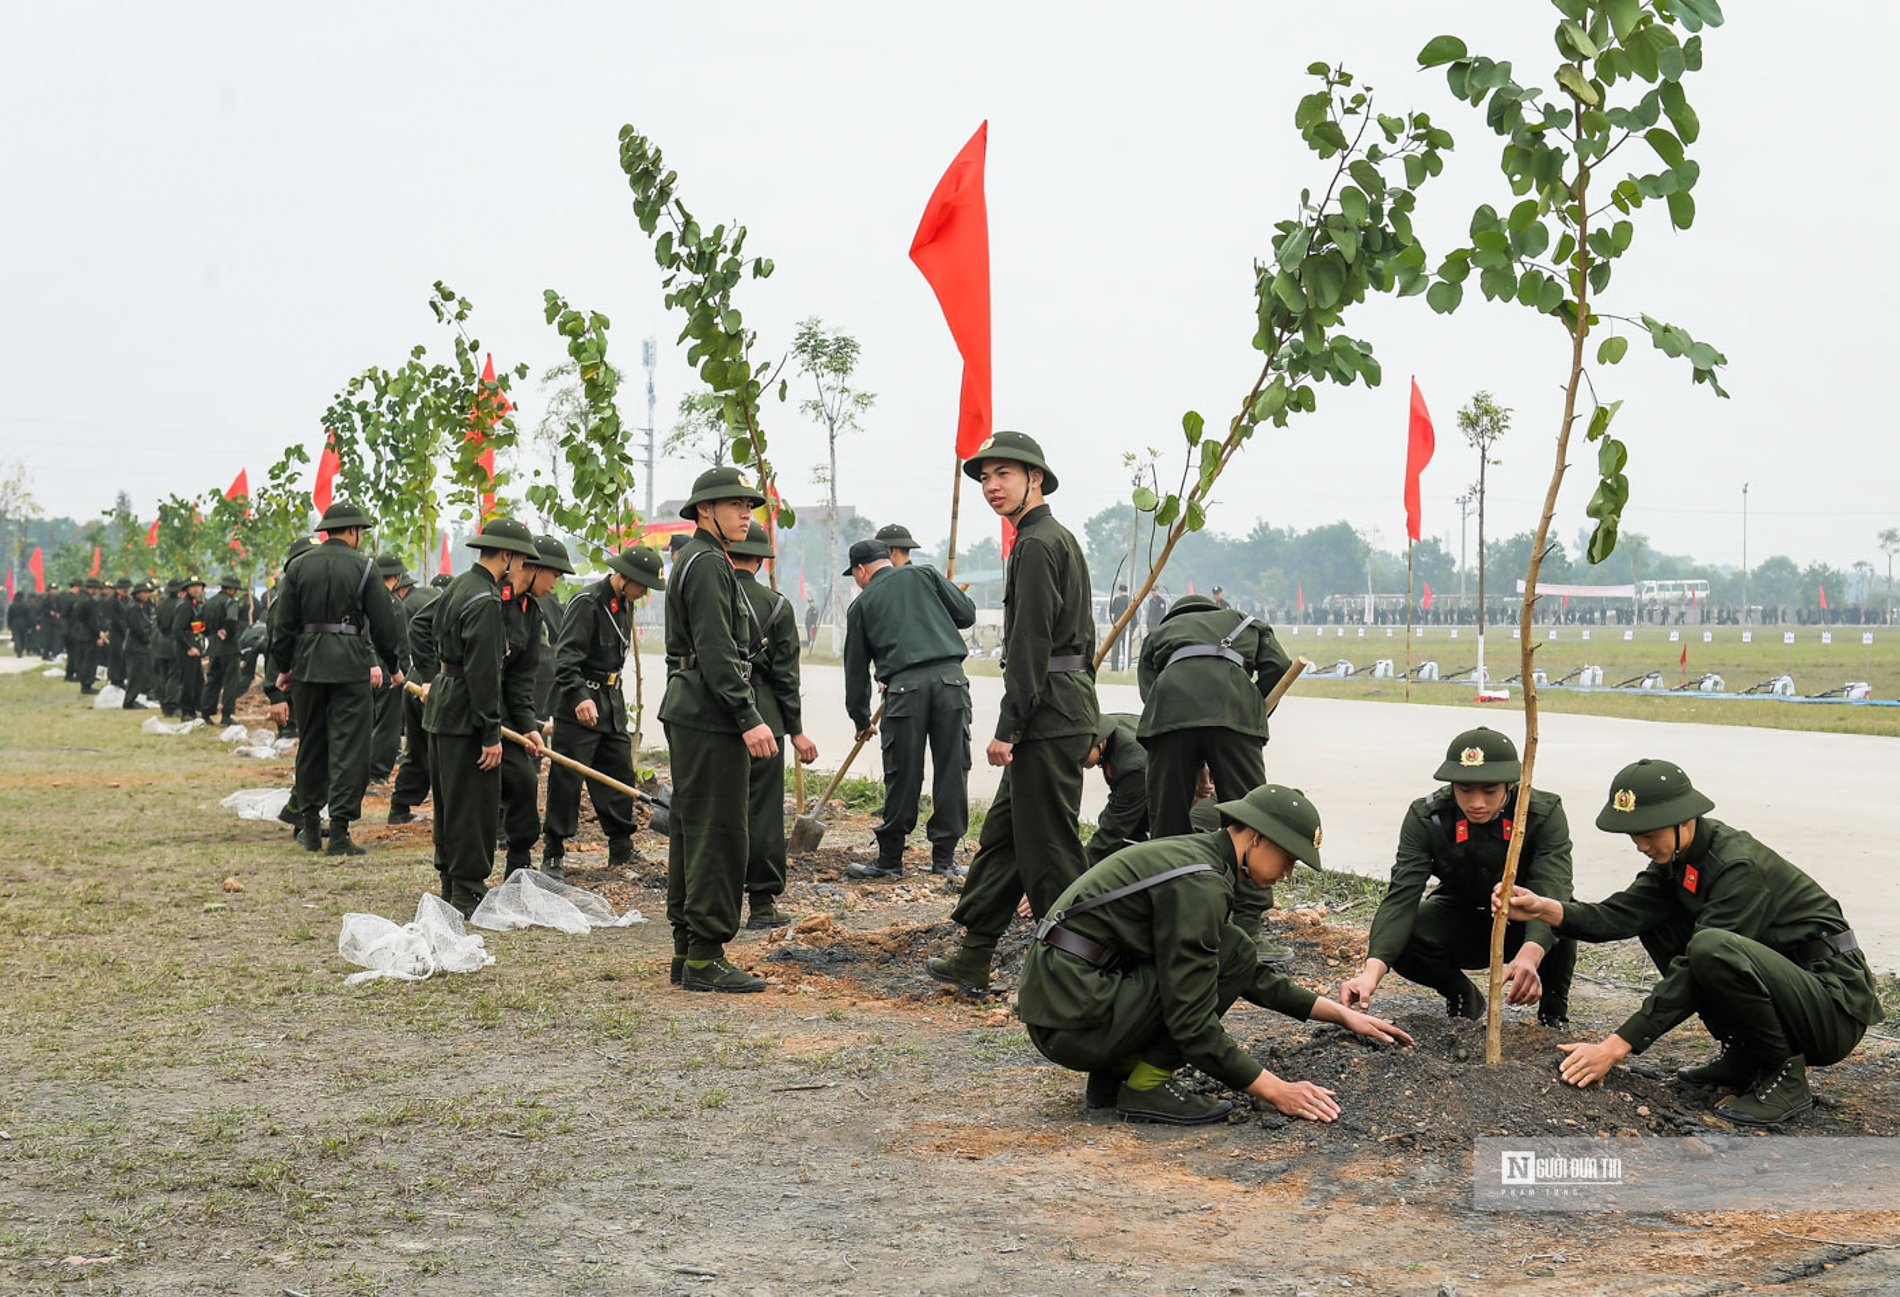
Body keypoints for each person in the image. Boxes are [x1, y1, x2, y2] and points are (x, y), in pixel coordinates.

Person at [1496, 759, 1883, 1126]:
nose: (1641, 845)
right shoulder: (1678, 861)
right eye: (1634, 835)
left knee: (1710, 948)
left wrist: (1614, 1047)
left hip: (1832, 1008)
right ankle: (1744, 1056)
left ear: (1683, 821)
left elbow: (1696, 966)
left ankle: (1785, 1079)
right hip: (1791, 993)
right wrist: (1544, 909)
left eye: (1649, 834)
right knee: (1661, 925)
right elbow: (1618, 915)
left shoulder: (1736, 866)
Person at [1017, 784, 1412, 1124]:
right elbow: (1191, 1020)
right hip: (1071, 1020)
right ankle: (1146, 1085)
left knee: (1231, 951)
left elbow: (1250, 975)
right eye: (1288, 858)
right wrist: (1275, 1090)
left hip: (1067, 1006)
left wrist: (1341, 1014)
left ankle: (1116, 1074)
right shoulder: (1202, 884)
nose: (1288, 872)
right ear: (1257, 837)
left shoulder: (1201, 859)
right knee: (1231, 952)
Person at [928, 431, 1099, 996]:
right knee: (1004, 839)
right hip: (1059, 707)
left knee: (1049, 848)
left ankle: (1081, 970)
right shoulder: (1054, 539)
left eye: (1004, 473)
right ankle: (974, 956)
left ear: (1036, 480)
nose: (991, 486)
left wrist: (1009, 728)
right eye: (984, 477)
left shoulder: (1034, 544)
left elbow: (1029, 643)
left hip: (1045, 715)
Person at [1340, 728, 1576, 1026]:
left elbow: (1552, 886)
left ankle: (1553, 1015)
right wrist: (1371, 973)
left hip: (1525, 921)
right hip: (1462, 916)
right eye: (1465, 790)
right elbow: (1401, 897)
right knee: (1405, 931)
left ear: (1511, 784)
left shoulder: (1542, 813)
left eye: (1489, 791)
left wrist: (1531, 953)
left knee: (1564, 916)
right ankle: (1463, 996)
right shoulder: (1428, 817)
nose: (1477, 802)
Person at [661, 467, 778, 992]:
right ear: (706, 509)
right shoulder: (707, 563)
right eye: (735, 505)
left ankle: (689, 950)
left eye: (748, 507)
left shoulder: (701, 559)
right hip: (709, 712)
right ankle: (706, 957)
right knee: (719, 832)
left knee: (691, 828)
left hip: (694, 708)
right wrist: (747, 714)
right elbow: (716, 649)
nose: (745, 515)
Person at [1136, 591, 1292, 960]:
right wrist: (1249, 708)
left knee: (1167, 823)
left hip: (1169, 714)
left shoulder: (1160, 633)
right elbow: (1279, 666)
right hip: (1234, 711)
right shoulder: (1246, 621)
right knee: (1253, 820)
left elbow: (1149, 689)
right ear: (1213, 609)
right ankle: (1248, 931)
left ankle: (1172, 924)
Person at [268, 501, 405, 858]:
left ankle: (310, 827)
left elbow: (282, 625)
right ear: (354, 532)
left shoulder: (297, 567)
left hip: (309, 665)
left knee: (311, 743)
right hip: (350, 666)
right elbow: (384, 624)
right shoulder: (365, 567)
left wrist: (285, 666)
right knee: (350, 748)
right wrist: (392, 665)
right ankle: (340, 832)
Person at [424, 517, 542, 914]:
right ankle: (467, 890)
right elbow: (484, 674)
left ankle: (451, 884)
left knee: (449, 804)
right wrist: (491, 734)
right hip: (465, 714)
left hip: (443, 705)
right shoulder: (488, 600)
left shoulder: (459, 585)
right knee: (474, 808)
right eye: (522, 560)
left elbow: (422, 625)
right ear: (506, 556)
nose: (524, 568)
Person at [840, 538, 976, 880]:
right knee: (952, 768)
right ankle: (944, 860)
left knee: (903, 772)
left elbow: (855, 672)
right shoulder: (926, 575)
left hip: (904, 690)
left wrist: (860, 719)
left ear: (860, 570)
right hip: (951, 682)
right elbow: (966, 614)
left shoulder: (862, 605)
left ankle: (890, 860)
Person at [543, 544, 665, 879]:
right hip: (578, 703)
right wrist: (580, 697)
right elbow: (565, 659)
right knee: (567, 778)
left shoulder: (625, 604)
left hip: (611, 703)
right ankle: (554, 850)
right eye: (641, 585)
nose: (643, 593)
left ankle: (621, 847)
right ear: (623, 577)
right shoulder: (588, 603)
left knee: (618, 772)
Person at [729, 522, 819, 928]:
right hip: (764, 713)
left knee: (715, 806)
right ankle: (762, 906)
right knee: (763, 810)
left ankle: (713, 898)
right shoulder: (779, 607)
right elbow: (787, 676)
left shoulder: (708, 597)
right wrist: (796, 729)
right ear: (763, 560)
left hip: (713, 712)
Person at [496, 535, 566, 877]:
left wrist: (529, 726)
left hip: (507, 711)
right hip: (470, 711)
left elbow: (522, 679)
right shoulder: (490, 597)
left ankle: (518, 862)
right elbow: (425, 625)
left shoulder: (531, 611)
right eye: (553, 574)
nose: (555, 584)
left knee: (524, 778)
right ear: (533, 568)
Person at [388, 564, 441, 825]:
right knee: (444, 751)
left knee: (416, 748)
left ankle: (399, 806)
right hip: (435, 682)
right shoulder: (435, 602)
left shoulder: (415, 601)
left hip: (415, 680)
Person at [1084, 713, 1149, 866]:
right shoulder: (1113, 728)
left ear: (1099, 742)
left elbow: (1112, 832)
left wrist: (1078, 873)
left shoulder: (1133, 766)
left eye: (1081, 756)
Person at [367, 556, 410, 785]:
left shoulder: (364, 600)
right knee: (388, 725)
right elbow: (400, 643)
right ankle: (377, 772)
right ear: (397, 577)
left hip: (364, 670)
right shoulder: (394, 604)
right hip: (389, 672)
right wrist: (401, 671)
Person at [201, 573, 249, 726]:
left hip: (213, 647)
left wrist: (210, 635)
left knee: (212, 681)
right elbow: (232, 620)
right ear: (232, 590)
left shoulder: (209, 602)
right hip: (229, 648)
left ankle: (206, 713)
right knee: (230, 682)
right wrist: (227, 633)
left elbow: (200, 624)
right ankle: (227, 715)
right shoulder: (230, 602)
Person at [172, 576, 208, 719]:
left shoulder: (195, 604)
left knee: (198, 681)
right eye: (192, 586)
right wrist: (188, 647)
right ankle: (186, 711)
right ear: (186, 589)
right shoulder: (185, 605)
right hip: (186, 650)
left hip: (195, 647)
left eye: (198, 586)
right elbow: (177, 630)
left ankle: (195, 708)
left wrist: (201, 643)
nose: (196, 589)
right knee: (188, 681)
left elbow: (196, 628)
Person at [122, 580, 157, 708]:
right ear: (137, 594)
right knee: (135, 675)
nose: (147, 595)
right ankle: (129, 701)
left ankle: (133, 698)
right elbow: (138, 628)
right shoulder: (134, 607)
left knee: (140, 674)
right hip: (136, 645)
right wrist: (147, 640)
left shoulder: (142, 605)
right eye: (145, 593)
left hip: (140, 645)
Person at [1105, 583, 1131, 672]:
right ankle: (1126, 666)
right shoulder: (1130, 600)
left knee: (1115, 647)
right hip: (1127, 627)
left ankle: (1114, 667)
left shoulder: (1117, 600)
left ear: (1120, 591)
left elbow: (1111, 611)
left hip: (1117, 626)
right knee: (1126, 648)